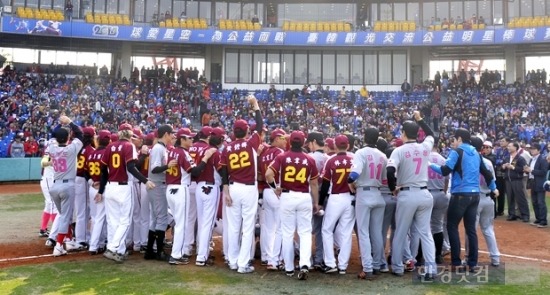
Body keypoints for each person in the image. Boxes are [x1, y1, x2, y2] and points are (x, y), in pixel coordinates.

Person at [430, 128, 498, 273]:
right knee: (471, 229)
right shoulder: (476, 153)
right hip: (475, 195)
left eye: (454, 139)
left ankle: (456, 262)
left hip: (460, 193)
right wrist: (493, 188)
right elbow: (486, 173)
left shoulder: (457, 152)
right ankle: (472, 263)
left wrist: (430, 165)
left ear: (459, 139)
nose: (452, 142)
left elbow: (445, 170)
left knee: (452, 226)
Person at [387, 111, 436, 280]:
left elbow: (390, 170)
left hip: (407, 194)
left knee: (401, 232)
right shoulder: (425, 147)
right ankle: (431, 269)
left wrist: (393, 187)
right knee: (426, 234)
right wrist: (420, 119)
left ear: (404, 133)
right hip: (424, 193)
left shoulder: (399, 150)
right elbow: (431, 134)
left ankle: (398, 267)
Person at [265, 130, 320, 280]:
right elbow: (314, 183)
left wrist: (274, 187)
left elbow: (268, 174)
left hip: (287, 196)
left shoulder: (282, 156)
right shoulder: (309, 159)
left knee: (287, 233)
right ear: (303, 143)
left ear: (290, 142)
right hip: (304, 197)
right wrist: (316, 202)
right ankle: (304, 264)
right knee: (305, 232)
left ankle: (289, 267)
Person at [97, 123, 154, 263]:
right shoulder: (129, 146)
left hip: (110, 186)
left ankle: (119, 251)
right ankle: (112, 247)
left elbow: (103, 170)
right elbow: (131, 167)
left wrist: (101, 190)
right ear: (129, 133)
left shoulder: (110, 146)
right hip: (123, 187)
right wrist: (145, 180)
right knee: (125, 221)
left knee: (112, 222)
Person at [220, 95, 263, 274]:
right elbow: (260, 126)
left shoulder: (227, 148)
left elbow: (223, 170)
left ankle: (232, 260)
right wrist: (256, 106)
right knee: (247, 228)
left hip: (233, 187)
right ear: (246, 131)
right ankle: (243, 264)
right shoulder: (251, 143)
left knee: (233, 226)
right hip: (248, 188)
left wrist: (226, 190)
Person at [166, 128, 215, 265]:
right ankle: (176, 255)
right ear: (182, 139)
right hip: (181, 188)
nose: (192, 140)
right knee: (182, 223)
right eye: (189, 138)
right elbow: (195, 171)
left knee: (180, 222)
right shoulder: (183, 152)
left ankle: (180, 251)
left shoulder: (171, 151)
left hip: (170, 188)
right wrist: (205, 158)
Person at [347, 128, 387, 279]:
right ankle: (376, 265)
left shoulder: (361, 153)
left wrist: (349, 180)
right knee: (376, 232)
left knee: (363, 232)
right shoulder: (383, 155)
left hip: (364, 193)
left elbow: (354, 174)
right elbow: (384, 180)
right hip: (378, 193)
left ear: (364, 137)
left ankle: (368, 268)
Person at [319, 135, 355, 275]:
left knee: (327, 230)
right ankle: (343, 266)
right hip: (350, 198)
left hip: (335, 197)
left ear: (334, 146)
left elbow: (326, 183)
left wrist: (320, 203)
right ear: (347, 146)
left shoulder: (331, 160)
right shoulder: (354, 160)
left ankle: (330, 263)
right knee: (346, 232)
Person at [48, 115, 83, 257]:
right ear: (68, 137)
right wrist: (69, 122)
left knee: (64, 216)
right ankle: (58, 246)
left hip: (54, 186)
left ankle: (67, 240)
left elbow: (52, 135)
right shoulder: (71, 149)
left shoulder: (52, 148)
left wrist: (59, 123)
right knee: (65, 217)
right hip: (67, 186)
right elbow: (80, 134)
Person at [465, 137, 501, 267]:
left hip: (475, 199)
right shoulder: (488, 163)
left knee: (471, 231)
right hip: (488, 198)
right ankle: (495, 257)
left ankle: (469, 258)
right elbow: (492, 181)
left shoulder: (469, 162)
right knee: (488, 229)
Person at [144, 124, 177, 261]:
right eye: (171, 133)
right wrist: (167, 166)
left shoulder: (160, 148)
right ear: (166, 134)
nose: (173, 136)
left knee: (156, 219)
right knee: (162, 218)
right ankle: (159, 252)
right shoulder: (158, 148)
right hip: (157, 184)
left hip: (156, 185)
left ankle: (150, 251)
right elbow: (155, 169)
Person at [193, 127, 224, 266]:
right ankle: (202, 256)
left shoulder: (202, 150)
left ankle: (201, 253)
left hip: (200, 187)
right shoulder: (215, 152)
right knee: (208, 223)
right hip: (211, 188)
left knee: (202, 222)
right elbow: (221, 171)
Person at [258, 129, 287, 270]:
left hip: (266, 190)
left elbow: (259, 174)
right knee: (279, 228)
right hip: (277, 190)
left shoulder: (264, 152)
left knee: (267, 227)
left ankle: (266, 256)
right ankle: (275, 259)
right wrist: (277, 187)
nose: (285, 141)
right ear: (276, 139)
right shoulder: (279, 153)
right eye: (283, 138)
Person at [305, 132, 328, 270]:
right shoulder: (329, 158)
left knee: (306, 229)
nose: (308, 145)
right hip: (325, 197)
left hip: (309, 196)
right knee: (322, 229)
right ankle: (319, 258)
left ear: (314, 142)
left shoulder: (308, 157)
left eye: (309, 143)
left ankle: (307, 259)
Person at [86, 130, 110, 255]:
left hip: (92, 187)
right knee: (101, 218)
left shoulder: (91, 154)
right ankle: (94, 245)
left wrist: (91, 182)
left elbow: (85, 171)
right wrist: (100, 188)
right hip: (102, 189)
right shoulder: (106, 153)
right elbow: (106, 173)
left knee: (95, 218)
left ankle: (99, 243)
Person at [74, 127, 96, 251]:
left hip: (76, 178)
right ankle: (81, 240)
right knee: (85, 211)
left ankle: (83, 238)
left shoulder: (78, 148)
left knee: (81, 211)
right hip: (84, 179)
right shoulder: (90, 150)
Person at [503, 141, 529, 222]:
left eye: (510, 146)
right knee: (510, 198)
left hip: (517, 180)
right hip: (508, 180)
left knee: (520, 198)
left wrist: (513, 168)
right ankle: (512, 214)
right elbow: (503, 169)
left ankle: (525, 215)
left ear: (515, 148)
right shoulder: (507, 158)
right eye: (508, 146)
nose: (508, 148)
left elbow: (524, 169)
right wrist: (503, 167)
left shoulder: (520, 158)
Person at [524, 143, 548, 227]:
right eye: (531, 149)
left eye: (534, 149)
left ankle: (543, 220)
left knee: (541, 202)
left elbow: (543, 172)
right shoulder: (532, 159)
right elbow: (531, 171)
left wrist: (531, 170)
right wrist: (527, 170)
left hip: (540, 183)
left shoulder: (542, 159)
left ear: (538, 150)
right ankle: (538, 219)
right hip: (532, 181)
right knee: (534, 202)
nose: (532, 150)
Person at [39, 138, 59, 238]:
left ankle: (43, 229)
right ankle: (56, 231)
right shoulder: (48, 152)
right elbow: (43, 163)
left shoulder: (55, 151)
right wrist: (49, 163)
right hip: (48, 181)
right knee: (52, 204)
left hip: (51, 180)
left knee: (48, 205)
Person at [493, 138, 509, 216]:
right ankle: (495, 210)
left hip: (504, 174)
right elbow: (495, 160)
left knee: (502, 193)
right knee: (496, 191)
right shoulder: (498, 150)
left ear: (507, 142)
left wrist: (500, 161)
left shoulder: (508, 150)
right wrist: (500, 161)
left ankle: (501, 210)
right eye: (501, 141)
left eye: (503, 141)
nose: (501, 142)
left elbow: (506, 160)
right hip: (497, 173)